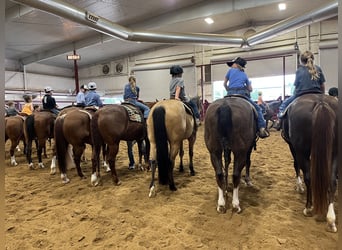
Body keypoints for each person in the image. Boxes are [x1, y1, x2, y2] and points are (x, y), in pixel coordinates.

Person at [223, 57, 269, 138]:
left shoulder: (230, 71)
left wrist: (229, 90)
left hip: (230, 93)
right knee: (258, 109)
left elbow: (224, 84)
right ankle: (262, 128)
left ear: (236, 64)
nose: (231, 66)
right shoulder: (244, 74)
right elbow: (250, 89)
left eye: (233, 64)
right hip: (242, 94)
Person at [278, 50, 326, 117]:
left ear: (301, 61)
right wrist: (322, 95)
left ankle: (279, 118)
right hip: (317, 93)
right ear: (313, 59)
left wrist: (295, 94)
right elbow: (322, 86)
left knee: (284, 104)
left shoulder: (299, 70)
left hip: (301, 94)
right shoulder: (318, 69)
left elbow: (296, 86)